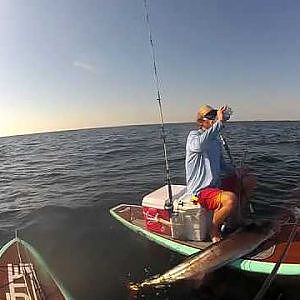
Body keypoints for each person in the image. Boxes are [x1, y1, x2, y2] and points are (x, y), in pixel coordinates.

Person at [185, 104, 255, 243]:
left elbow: (222, 165)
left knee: (249, 181)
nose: (213, 119)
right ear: (201, 121)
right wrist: (220, 123)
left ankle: (235, 219)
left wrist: (237, 172)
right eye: (210, 116)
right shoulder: (194, 137)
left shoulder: (215, 141)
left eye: (214, 115)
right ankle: (214, 228)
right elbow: (199, 146)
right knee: (230, 199)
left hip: (215, 185)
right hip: (200, 191)